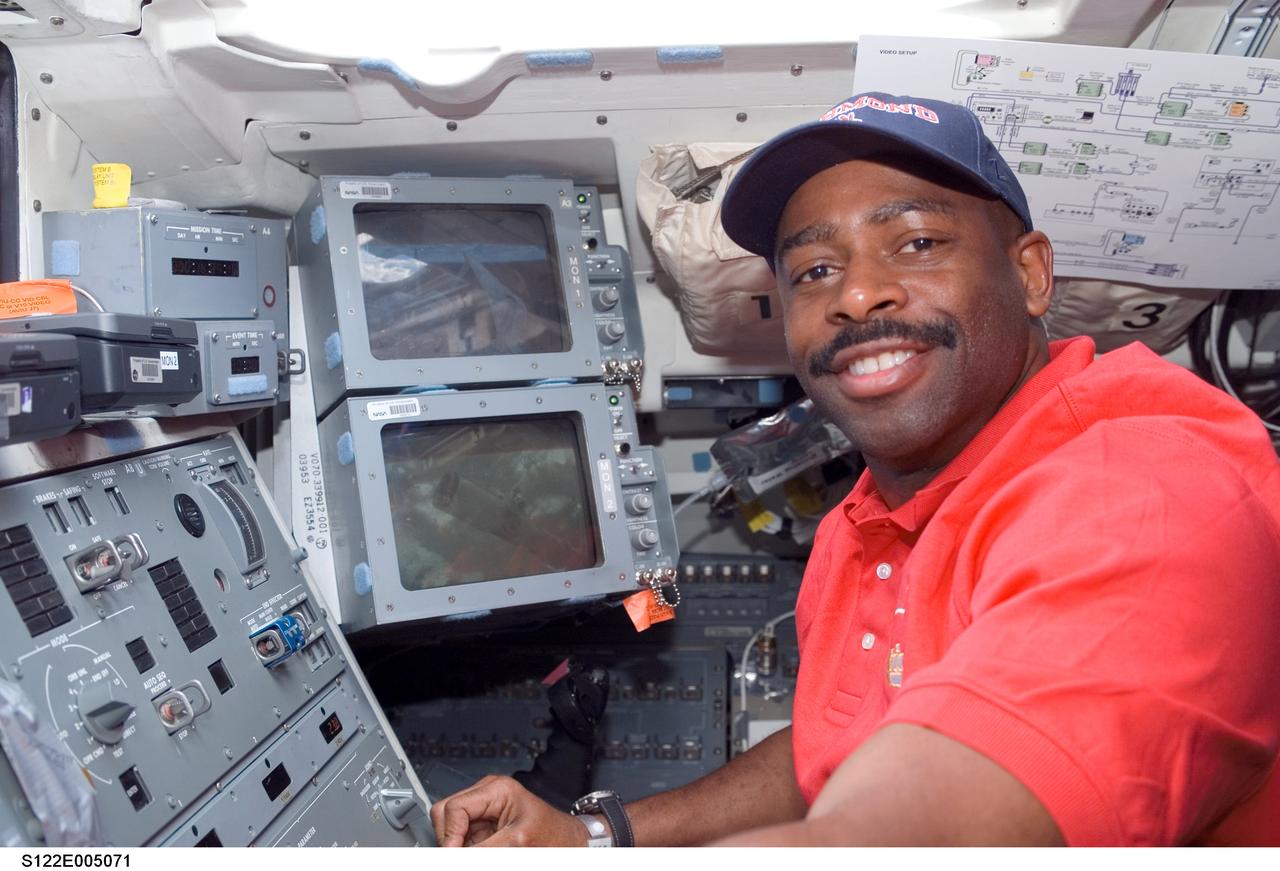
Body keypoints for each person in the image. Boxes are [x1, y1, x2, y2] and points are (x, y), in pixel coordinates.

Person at [429, 92, 1280, 846]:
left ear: (1029, 273)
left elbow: (939, 813)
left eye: (914, 241)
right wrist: (601, 833)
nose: (857, 294)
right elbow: (836, 740)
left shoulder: (1148, 491)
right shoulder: (865, 517)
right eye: (815, 270)